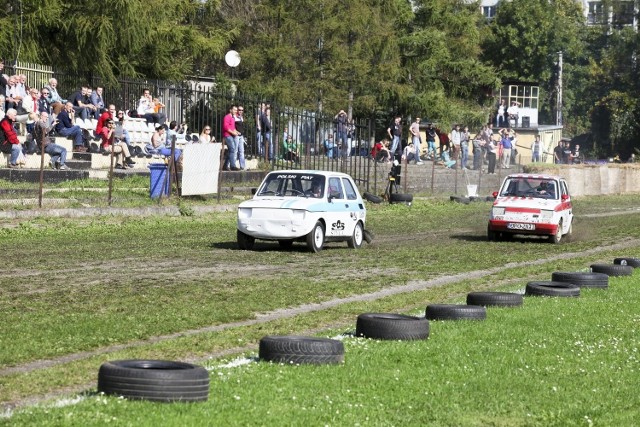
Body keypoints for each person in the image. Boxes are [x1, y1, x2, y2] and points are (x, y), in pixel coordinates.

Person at [222, 104, 240, 170]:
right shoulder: (227, 117)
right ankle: (233, 166)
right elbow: (226, 127)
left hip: (231, 135)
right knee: (232, 149)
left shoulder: (232, 118)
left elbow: (233, 127)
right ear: (230, 110)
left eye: (236, 110)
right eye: (234, 110)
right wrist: (233, 133)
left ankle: (225, 166)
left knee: (231, 151)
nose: (236, 111)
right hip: (227, 135)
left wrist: (237, 132)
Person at [234, 105, 247, 170]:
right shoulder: (234, 117)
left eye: (242, 110)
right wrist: (236, 132)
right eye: (239, 110)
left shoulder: (241, 117)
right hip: (236, 136)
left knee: (242, 151)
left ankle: (242, 166)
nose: (240, 111)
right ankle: (232, 165)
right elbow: (232, 126)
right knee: (235, 151)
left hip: (241, 136)